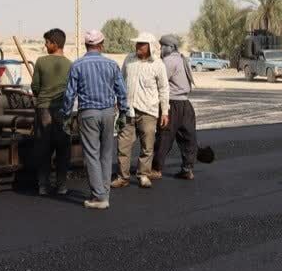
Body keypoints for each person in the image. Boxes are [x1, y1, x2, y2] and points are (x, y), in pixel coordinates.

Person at [61, 30, 129, 210]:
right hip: (108, 113)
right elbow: (122, 92)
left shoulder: (77, 65)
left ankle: (99, 197)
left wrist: (66, 115)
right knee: (106, 154)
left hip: (88, 114)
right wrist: (123, 112)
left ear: (85, 45)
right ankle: (103, 193)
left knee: (91, 155)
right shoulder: (111, 65)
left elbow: (69, 94)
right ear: (102, 44)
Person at [113, 32, 169, 189]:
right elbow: (120, 81)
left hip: (148, 111)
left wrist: (164, 111)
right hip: (127, 110)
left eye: (141, 44)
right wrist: (118, 101)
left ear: (150, 47)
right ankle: (122, 177)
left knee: (147, 146)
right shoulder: (129, 60)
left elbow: (164, 89)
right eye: (137, 43)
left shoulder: (158, 65)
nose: (137, 46)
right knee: (123, 145)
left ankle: (143, 174)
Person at [31, 28, 73, 196]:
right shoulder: (70, 64)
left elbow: (35, 87)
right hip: (63, 109)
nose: (45, 45)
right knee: (63, 148)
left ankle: (43, 185)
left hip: (43, 110)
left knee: (44, 147)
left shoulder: (41, 62)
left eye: (47, 42)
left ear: (55, 44)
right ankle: (61, 185)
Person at [151, 34, 198, 181]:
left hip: (173, 104)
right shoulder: (183, 59)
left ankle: (156, 169)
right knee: (188, 138)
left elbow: (160, 82)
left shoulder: (168, 61)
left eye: (162, 46)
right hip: (186, 104)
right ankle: (187, 169)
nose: (161, 49)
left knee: (164, 137)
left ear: (169, 47)